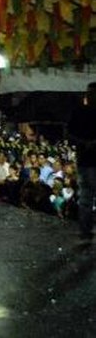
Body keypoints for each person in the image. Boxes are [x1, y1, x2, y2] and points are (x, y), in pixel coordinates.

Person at [67, 82, 96, 240]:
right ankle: (85, 230)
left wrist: (84, 143)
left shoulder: (79, 112)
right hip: (85, 161)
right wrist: (85, 143)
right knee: (86, 197)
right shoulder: (79, 112)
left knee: (86, 197)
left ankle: (86, 231)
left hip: (85, 160)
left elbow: (69, 134)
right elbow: (69, 134)